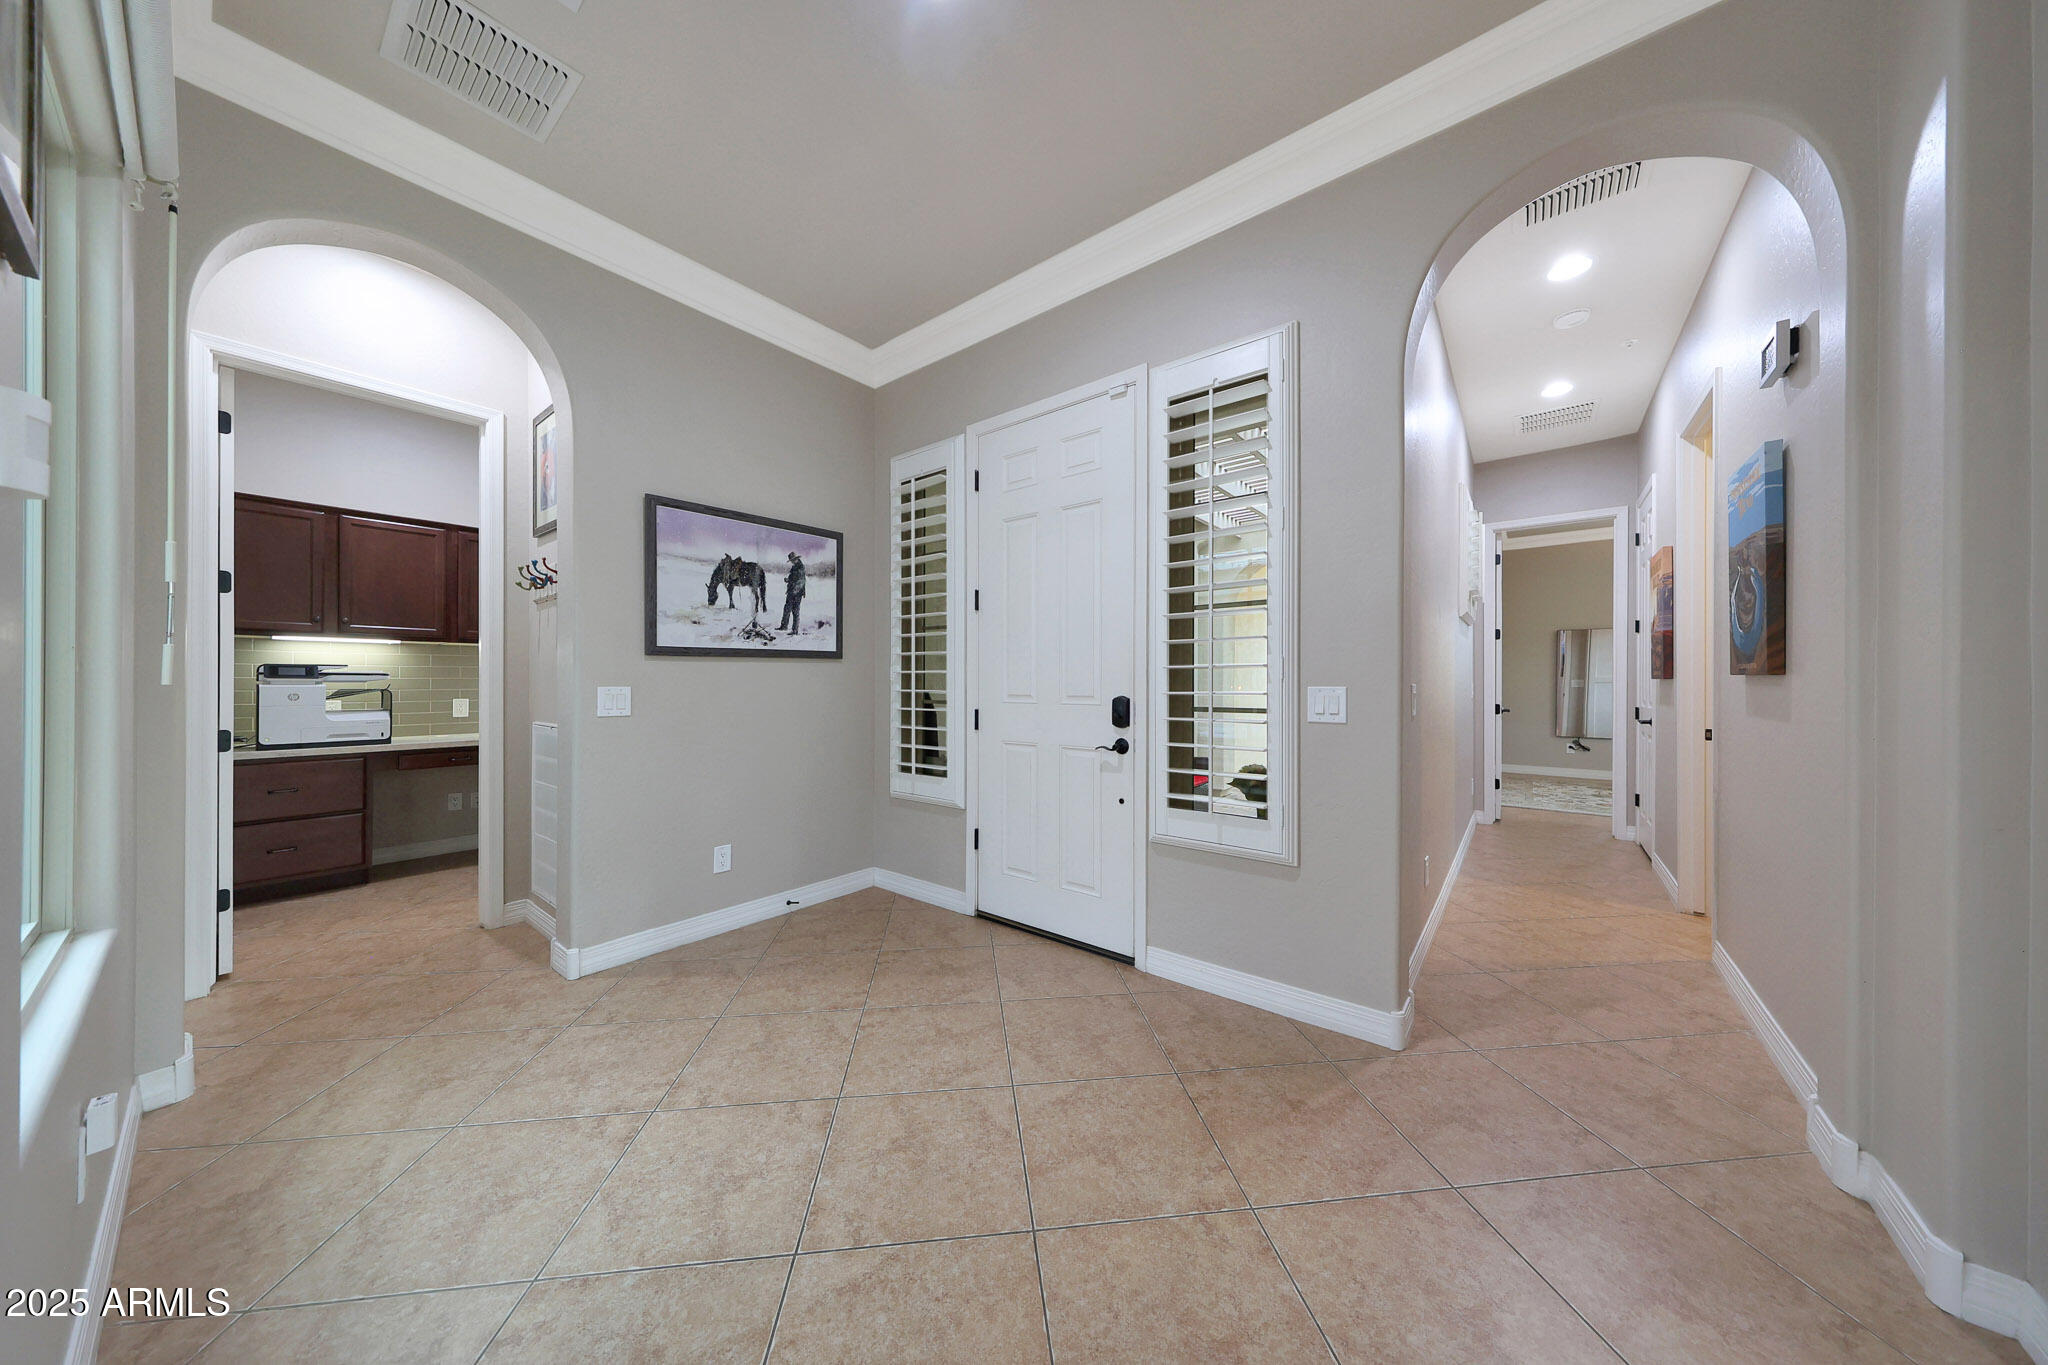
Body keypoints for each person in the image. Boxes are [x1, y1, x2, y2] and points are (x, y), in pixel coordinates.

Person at [779, 550, 807, 634]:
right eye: (791, 560)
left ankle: (795, 630)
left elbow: (801, 581)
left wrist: (795, 590)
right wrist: (788, 580)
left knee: (795, 611)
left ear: (796, 559)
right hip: (791, 591)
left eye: (792, 560)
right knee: (787, 609)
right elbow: (794, 578)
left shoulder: (800, 567)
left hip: (797, 592)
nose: (792, 562)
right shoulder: (795, 566)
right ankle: (784, 626)